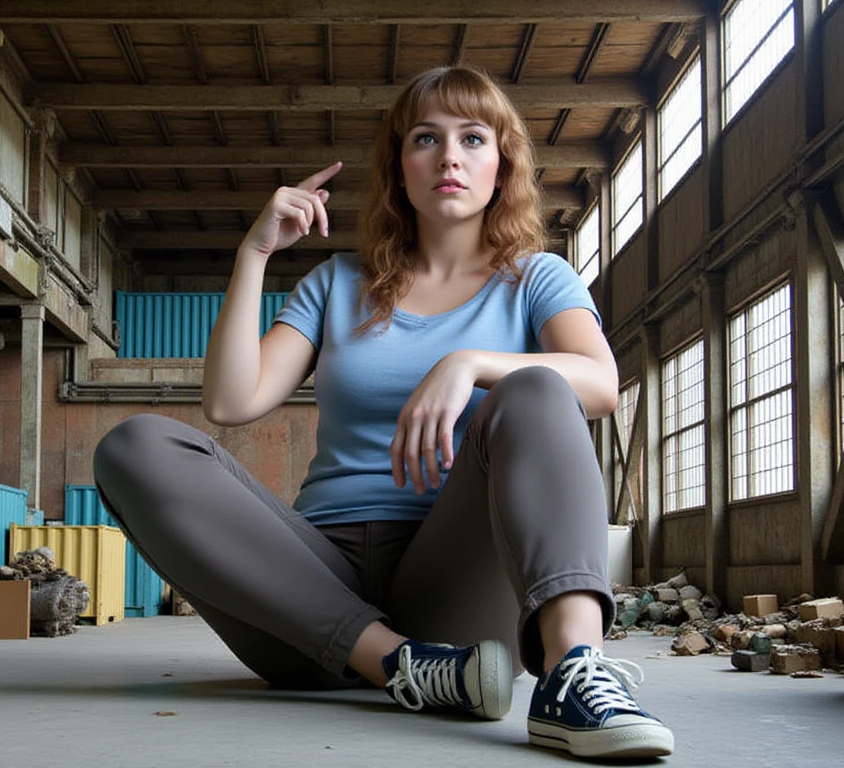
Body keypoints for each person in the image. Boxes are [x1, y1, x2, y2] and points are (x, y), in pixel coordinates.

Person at [93, 65, 674, 760]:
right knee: (135, 445)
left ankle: (574, 673)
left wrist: (468, 363)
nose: (449, 157)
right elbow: (230, 401)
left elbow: (601, 383)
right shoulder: (336, 283)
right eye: (426, 138)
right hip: (312, 594)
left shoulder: (536, 279)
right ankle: (398, 663)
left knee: (539, 389)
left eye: (473, 138)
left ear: (503, 165)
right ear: (400, 166)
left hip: (457, 588)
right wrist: (255, 252)